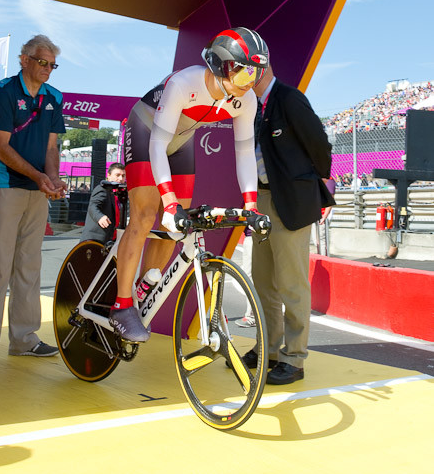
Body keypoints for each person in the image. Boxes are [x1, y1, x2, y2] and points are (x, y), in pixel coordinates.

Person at [110, 27, 270, 342]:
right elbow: (156, 146)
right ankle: (121, 304)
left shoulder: (245, 99)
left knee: (177, 225)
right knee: (145, 215)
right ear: (222, 66)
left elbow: (244, 153)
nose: (249, 84)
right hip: (147, 132)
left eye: (256, 75)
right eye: (244, 75)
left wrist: (251, 205)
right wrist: (166, 201)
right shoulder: (185, 83)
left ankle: (144, 283)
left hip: (181, 142)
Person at [0, 35, 66, 366]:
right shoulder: (5, 91)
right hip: (3, 186)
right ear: (24, 60)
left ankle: (24, 339)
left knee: (29, 266)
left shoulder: (54, 97)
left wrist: (51, 179)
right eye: (42, 62)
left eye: (52, 64)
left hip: (36, 192)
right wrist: (40, 177)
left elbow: (52, 148)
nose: (48, 69)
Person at [246, 65, 334, 385]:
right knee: (263, 281)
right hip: (262, 199)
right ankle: (268, 349)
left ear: (262, 67)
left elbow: (319, 144)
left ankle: (294, 358)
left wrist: (312, 183)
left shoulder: (289, 98)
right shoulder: (252, 105)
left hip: (291, 201)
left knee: (291, 282)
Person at [82, 163, 127, 244]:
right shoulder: (102, 189)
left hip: (113, 240)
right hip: (96, 239)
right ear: (108, 175)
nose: (120, 178)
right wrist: (100, 217)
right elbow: (93, 206)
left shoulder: (121, 194)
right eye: (117, 175)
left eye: (123, 176)